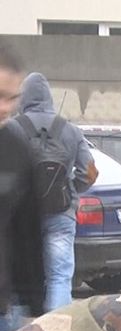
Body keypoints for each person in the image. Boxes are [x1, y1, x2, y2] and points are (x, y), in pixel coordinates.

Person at [10, 72, 97, 311]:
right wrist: (69, 190)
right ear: (49, 97)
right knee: (59, 276)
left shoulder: (11, 128)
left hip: (21, 218)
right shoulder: (70, 129)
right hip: (60, 213)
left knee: (18, 279)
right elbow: (90, 173)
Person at [0, 42, 45, 331]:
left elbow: (27, 234)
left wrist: (34, 310)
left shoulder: (15, 147)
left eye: (12, 98)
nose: (5, 107)